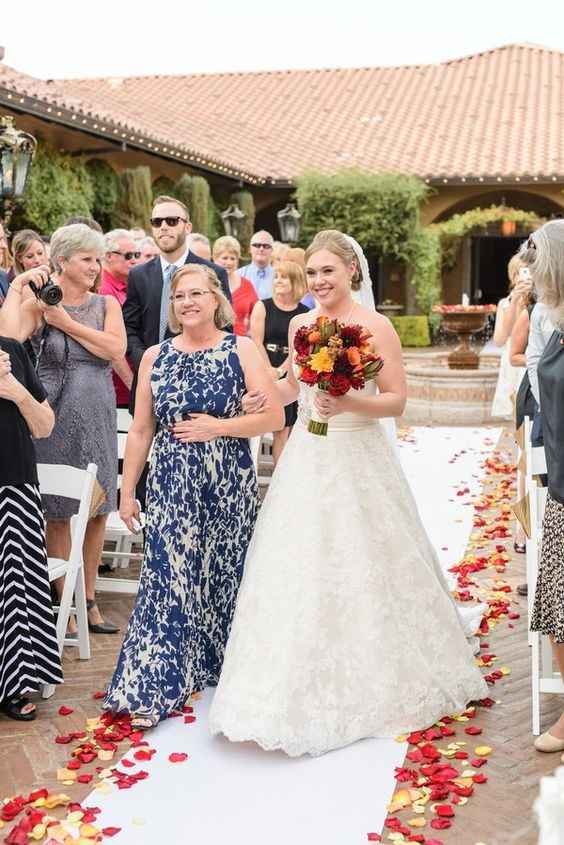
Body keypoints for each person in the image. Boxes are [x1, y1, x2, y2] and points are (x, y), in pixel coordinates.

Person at [209, 229, 488, 756]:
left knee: (368, 557)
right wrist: (267, 394)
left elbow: (396, 400)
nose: (318, 281)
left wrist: (349, 403)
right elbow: (296, 388)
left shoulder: (376, 326)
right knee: (301, 559)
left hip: (359, 452)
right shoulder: (301, 324)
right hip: (310, 456)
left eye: (327, 272)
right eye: (312, 273)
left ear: (351, 273)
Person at [104, 263, 283, 728]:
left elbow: (274, 419)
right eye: (179, 296)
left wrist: (218, 427)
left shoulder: (241, 349)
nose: (187, 303)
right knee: (168, 578)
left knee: (225, 571)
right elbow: (141, 429)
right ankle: (156, 682)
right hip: (169, 481)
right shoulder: (154, 358)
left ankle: (218, 664)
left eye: (196, 294)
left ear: (216, 300)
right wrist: (128, 493)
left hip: (227, 479)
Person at [0, 224, 126, 635]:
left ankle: (89, 602)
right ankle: (63, 606)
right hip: (53, 414)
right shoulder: (39, 301)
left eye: (98, 259)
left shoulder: (107, 304)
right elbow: (9, 339)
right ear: (63, 262)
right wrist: (21, 287)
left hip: (98, 412)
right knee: (58, 513)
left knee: (96, 511)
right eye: (88, 259)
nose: (95, 267)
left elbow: (114, 349)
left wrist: (64, 321)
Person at [0, 335, 63, 720]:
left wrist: (14, 390)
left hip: (15, 486)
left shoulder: (12, 350)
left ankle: (14, 684)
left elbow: (44, 427)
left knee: (17, 588)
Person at [122, 195, 231, 415]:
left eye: (172, 221)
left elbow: (224, 328)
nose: (163, 227)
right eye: (157, 222)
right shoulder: (138, 275)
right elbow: (129, 327)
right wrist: (145, 359)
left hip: (198, 386)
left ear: (187, 226)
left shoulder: (213, 273)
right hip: (148, 385)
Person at [520, 222, 564, 755]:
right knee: (556, 602)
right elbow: (535, 375)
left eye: (537, 259)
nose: (529, 269)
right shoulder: (548, 318)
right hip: (562, 476)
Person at [250, 260, 309, 464]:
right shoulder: (262, 306)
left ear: (296, 281)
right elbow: (256, 341)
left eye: (284, 277)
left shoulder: (304, 313)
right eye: (276, 276)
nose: (278, 281)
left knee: (283, 429)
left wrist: (282, 371)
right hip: (262, 367)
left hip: (290, 370)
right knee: (255, 427)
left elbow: (300, 348)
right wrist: (268, 370)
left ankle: (278, 480)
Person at [100, 229, 139, 407]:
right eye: (128, 255)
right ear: (109, 256)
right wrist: (134, 387)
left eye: (136, 255)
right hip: (117, 390)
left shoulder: (127, 284)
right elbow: (111, 347)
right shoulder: (103, 290)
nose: (134, 260)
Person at [491, 256, 532, 420]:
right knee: (513, 410)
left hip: (529, 356)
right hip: (511, 360)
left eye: (528, 272)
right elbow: (499, 339)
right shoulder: (505, 303)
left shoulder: (541, 302)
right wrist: (515, 301)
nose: (522, 277)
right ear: (512, 277)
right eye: (518, 273)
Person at [213, 235, 257, 336]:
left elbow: (256, 314)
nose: (229, 262)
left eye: (233, 258)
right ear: (215, 258)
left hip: (240, 342)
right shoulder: (207, 283)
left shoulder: (247, 285)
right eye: (225, 258)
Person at [239, 230, 275, 300]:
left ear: (272, 250)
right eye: (257, 245)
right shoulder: (239, 275)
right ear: (250, 249)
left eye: (266, 246)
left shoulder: (279, 276)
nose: (261, 249)